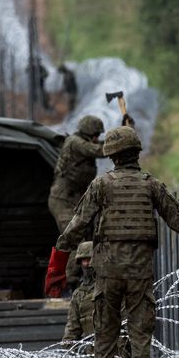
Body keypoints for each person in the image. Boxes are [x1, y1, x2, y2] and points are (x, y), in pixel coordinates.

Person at [47, 126, 179, 358]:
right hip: (140, 271)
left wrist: (56, 266)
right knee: (139, 326)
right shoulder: (152, 186)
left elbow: (76, 226)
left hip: (108, 270)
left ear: (112, 156)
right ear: (136, 153)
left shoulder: (100, 186)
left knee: (105, 327)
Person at [48, 115, 105, 288]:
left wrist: (125, 130)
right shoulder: (75, 142)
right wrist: (123, 138)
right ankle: (69, 283)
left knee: (87, 236)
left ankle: (79, 280)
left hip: (74, 200)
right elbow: (99, 150)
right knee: (74, 239)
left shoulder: (83, 143)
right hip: (62, 200)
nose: (97, 138)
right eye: (96, 135)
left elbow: (101, 147)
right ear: (88, 132)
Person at [62, 242, 96, 342]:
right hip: (90, 351)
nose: (86, 264)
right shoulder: (78, 295)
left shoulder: (111, 287)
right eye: (83, 260)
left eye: (89, 259)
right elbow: (72, 330)